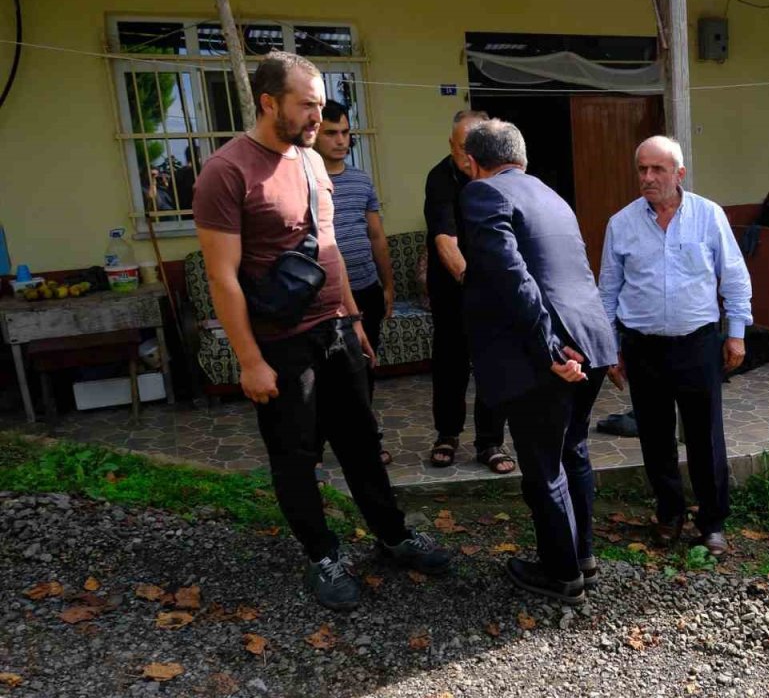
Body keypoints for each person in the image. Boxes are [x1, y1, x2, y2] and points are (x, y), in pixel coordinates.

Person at [193, 50, 449, 612]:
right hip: (281, 343)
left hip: (337, 330)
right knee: (295, 452)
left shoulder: (310, 161)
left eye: (319, 103)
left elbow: (328, 249)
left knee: (361, 441)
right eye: (306, 105)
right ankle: (321, 554)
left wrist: (353, 318)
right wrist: (249, 359)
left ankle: (392, 535)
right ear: (268, 102)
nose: (317, 116)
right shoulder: (227, 171)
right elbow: (221, 276)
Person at [459, 119, 615, 604]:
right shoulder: (552, 197)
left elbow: (515, 279)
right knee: (574, 452)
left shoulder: (483, 195)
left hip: (544, 354)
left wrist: (549, 349)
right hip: (590, 340)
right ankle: (582, 558)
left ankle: (562, 575)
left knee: (545, 466)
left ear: (472, 163)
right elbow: (577, 271)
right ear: (521, 158)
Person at [597, 135, 752, 557]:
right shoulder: (622, 223)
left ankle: (713, 521)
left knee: (705, 434)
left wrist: (735, 332)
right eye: (642, 170)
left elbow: (733, 277)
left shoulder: (708, 216)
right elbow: (607, 291)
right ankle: (669, 513)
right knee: (655, 435)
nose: (647, 178)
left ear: (679, 173)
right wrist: (610, 349)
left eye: (657, 169)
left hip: (697, 344)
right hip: (642, 347)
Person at [424, 110, 511, 473]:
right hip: (453, 288)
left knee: (494, 364)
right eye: (462, 147)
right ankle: (447, 434)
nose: (467, 156)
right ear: (451, 145)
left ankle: (490, 442)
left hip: (492, 290)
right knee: (450, 364)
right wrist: (471, 281)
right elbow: (445, 239)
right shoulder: (440, 178)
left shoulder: (501, 178)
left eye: (474, 148)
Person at [314, 98, 394, 465]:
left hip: (366, 289)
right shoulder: (306, 181)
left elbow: (377, 236)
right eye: (331, 133)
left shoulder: (361, 180)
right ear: (315, 135)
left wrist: (387, 284)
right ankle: (314, 449)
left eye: (345, 132)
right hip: (324, 298)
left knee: (365, 368)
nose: (340, 140)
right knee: (324, 377)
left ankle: (367, 441)